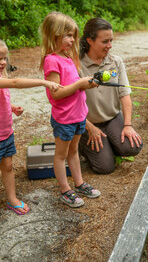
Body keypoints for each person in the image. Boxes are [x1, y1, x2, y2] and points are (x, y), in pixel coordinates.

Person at [0, 36, 63, 235]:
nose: (3, 62)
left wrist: (11, 107)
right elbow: (15, 82)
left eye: (5, 58)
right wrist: (44, 82)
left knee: (7, 167)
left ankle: (12, 198)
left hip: (5, 134)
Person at [40, 11, 101, 208]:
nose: (72, 39)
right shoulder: (51, 60)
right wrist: (80, 84)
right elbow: (56, 93)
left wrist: (86, 84)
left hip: (78, 115)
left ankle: (79, 183)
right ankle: (65, 190)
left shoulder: (67, 56)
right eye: (68, 35)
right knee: (61, 154)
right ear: (54, 35)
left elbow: (73, 83)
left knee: (74, 152)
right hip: (64, 117)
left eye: (73, 35)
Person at [79, 18, 143, 174]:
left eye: (111, 41)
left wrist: (127, 125)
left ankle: (108, 144)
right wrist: (89, 127)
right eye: (105, 41)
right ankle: (82, 145)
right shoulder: (76, 64)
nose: (110, 46)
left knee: (132, 146)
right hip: (87, 123)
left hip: (112, 118)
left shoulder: (116, 62)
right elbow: (71, 104)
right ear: (90, 40)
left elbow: (125, 95)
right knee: (105, 167)